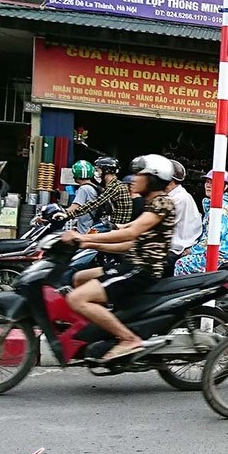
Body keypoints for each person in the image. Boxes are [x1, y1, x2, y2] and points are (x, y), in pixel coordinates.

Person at [63, 154, 176, 361]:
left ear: (152, 178)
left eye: (139, 175)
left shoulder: (162, 204)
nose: (133, 179)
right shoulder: (151, 204)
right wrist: (88, 242)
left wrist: (81, 237)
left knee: (76, 298)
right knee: (79, 278)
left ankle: (128, 338)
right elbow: (131, 241)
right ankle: (104, 327)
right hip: (131, 263)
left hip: (140, 270)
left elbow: (130, 233)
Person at [174, 170, 228, 275]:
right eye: (207, 182)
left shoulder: (221, 209)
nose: (208, 185)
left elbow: (213, 237)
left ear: (224, 187)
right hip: (227, 252)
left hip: (223, 254)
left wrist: (191, 250)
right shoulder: (221, 204)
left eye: (213, 182)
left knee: (181, 263)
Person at [62, 156, 133, 226]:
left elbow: (95, 203)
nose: (96, 173)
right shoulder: (113, 185)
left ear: (106, 170)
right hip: (114, 225)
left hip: (117, 228)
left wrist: (68, 214)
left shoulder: (114, 187)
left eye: (98, 170)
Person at [160, 158, 201, 277]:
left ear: (170, 180)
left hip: (174, 250)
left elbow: (158, 225)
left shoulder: (179, 199)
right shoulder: (173, 196)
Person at [67, 160, 101, 234]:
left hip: (85, 230)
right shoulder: (94, 187)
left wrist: (60, 213)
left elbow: (75, 207)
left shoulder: (84, 189)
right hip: (91, 226)